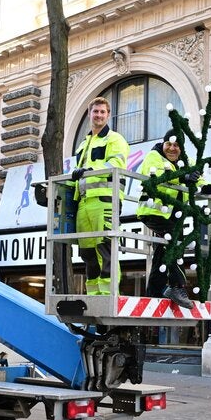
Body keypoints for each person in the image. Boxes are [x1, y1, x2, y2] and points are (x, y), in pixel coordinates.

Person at [71, 96, 130, 295]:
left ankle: (109, 296)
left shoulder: (114, 139)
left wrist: (89, 169)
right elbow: (76, 174)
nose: (98, 115)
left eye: (102, 112)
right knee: (87, 253)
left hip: (105, 200)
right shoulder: (83, 144)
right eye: (95, 111)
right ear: (90, 114)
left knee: (106, 249)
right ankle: (93, 297)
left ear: (108, 115)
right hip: (84, 203)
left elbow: (117, 164)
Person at [136, 129, 198, 309]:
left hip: (172, 217)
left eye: (176, 145)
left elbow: (199, 181)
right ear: (163, 144)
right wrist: (184, 177)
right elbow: (159, 174)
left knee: (162, 254)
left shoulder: (187, 163)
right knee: (174, 242)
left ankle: (153, 294)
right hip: (154, 213)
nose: (171, 148)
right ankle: (176, 286)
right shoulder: (153, 156)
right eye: (168, 144)